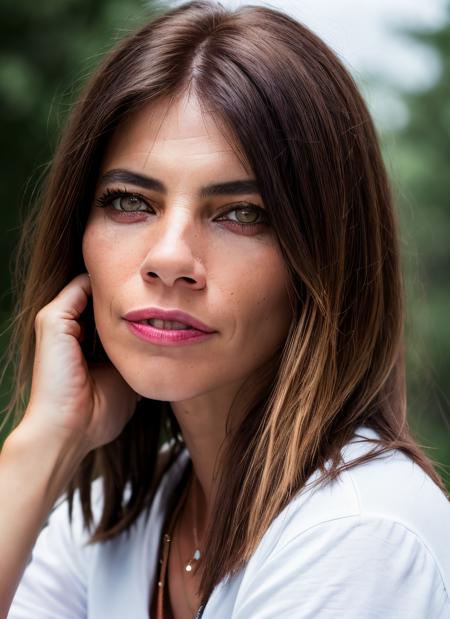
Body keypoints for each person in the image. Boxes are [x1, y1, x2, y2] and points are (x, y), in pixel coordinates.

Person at [1, 1, 449, 617]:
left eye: (242, 213)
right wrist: (45, 443)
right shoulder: (127, 517)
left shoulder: (355, 536)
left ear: (323, 262)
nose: (169, 257)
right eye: (130, 201)